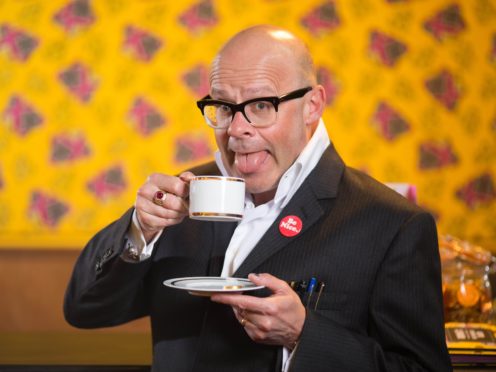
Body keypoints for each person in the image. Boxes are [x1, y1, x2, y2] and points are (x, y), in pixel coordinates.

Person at [64, 25, 452, 371]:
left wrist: (304, 335)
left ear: (312, 106)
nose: (236, 129)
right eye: (223, 107)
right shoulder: (184, 196)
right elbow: (84, 310)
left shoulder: (392, 224)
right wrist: (139, 231)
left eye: (261, 106)